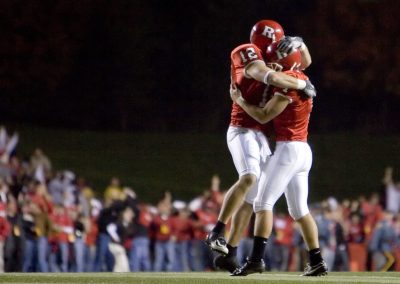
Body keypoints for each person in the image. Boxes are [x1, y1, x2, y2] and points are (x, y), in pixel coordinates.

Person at [206, 19, 315, 271]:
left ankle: (230, 252)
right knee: (250, 176)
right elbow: (261, 73)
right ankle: (217, 231)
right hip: (243, 127)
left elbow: (304, 62)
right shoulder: (246, 51)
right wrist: (300, 83)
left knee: (253, 200)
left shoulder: (280, 59)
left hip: (263, 136)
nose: (276, 49)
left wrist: (300, 42)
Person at [229, 41, 327, 276]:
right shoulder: (301, 75)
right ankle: (316, 261)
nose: (272, 64)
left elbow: (263, 116)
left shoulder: (289, 84)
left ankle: (255, 260)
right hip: (303, 150)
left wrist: (240, 100)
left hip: (288, 149)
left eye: (277, 60)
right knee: (299, 211)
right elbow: (305, 60)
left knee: (262, 204)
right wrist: (301, 42)